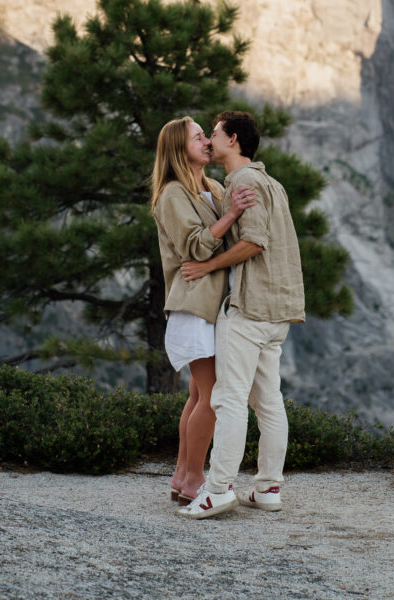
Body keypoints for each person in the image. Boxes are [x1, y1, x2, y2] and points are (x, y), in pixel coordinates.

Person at [178, 110, 305, 519]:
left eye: (213, 134)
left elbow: (255, 241)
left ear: (232, 139)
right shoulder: (270, 183)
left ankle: (217, 490)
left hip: (249, 308)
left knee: (228, 399)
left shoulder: (246, 182)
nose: (209, 140)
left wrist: (207, 266)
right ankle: (267, 487)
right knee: (268, 400)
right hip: (279, 310)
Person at [151, 116, 257, 505]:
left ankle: (182, 476)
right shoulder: (172, 194)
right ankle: (195, 477)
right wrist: (232, 213)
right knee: (212, 397)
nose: (206, 142)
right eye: (199, 138)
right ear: (181, 149)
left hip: (211, 305)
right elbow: (194, 246)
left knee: (198, 395)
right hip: (193, 306)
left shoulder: (210, 186)